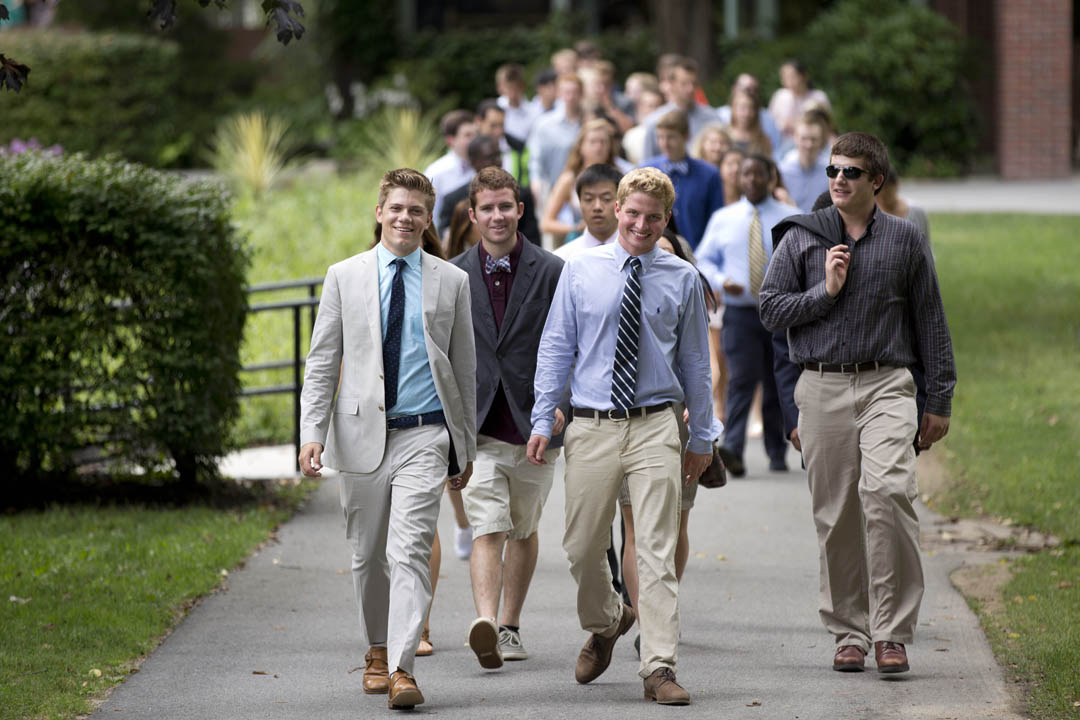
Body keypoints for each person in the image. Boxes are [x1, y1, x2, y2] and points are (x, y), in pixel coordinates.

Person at [759, 132, 955, 675]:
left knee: (888, 491)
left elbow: (931, 322)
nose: (838, 180)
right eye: (832, 171)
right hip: (820, 386)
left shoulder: (905, 240)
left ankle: (891, 631)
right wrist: (825, 292)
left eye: (850, 172)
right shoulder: (801, 237)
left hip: (887, 383)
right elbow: (771, 311)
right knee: (837, 513)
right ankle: (850, 631)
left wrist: (939, 397)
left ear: (877, 181)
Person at [528, 167, 714, 705]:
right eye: (632, 213)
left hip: (656, 423)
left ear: (665, 220)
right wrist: (544, 418)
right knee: (582, 547)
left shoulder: (681, 277)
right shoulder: (578, 268)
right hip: (591, 424)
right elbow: (557, 347)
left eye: (652, 217)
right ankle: (608, 619)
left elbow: (697, 365)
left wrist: (702, 436)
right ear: (617, 211)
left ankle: (659, 666)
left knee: (655, 549)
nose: (640, 224)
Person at [298, 168, 477, 710]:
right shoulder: (344, 276)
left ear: (427, 221)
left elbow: (465, 369)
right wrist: (311, 432)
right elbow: (323, 360)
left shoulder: (451, 280)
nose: (405, 218)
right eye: (396, 208)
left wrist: (462, 445)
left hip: (425, 433)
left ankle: (401, 667)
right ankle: (376, 650)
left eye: (416, 211)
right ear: (380, 212)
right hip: (358, 437)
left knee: (410, 550)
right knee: (368, 554)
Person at [449, 167, 567, 670]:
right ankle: (486, 624)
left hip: (537, 423)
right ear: (473, 215)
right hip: (476, 427)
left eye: (506, 206)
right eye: (487, 208)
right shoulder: (452, 276)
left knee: (522, 528)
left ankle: (511, 625)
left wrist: (560, 404)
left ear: (520, 210)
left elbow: (569, 345)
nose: (497, 215)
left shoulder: (553, 270)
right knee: (488, 526)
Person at [617, 227, 722, 657]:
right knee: (634, 529)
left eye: (663, 250)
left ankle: (663, 608)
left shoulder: (686, 285)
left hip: (675, 416)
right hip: (627, 415)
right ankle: (648, 620)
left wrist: (701, 417)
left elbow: (703, 361)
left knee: (673, 525)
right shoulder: (617, 280)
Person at [697, 154, 798, 477]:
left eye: (759, 174)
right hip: (740, 312)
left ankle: (777, 451)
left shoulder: (790, 218)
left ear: (771, 178)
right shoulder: (724, 218)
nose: (752, 180)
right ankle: (734, 449)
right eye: (746, 174)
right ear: (738, 179)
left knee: (776, 382)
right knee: (741, 378)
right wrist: (720, 280)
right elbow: (703, 259)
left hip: (780, 314)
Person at [641, 109, 724, 250]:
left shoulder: (709, 174)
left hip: (697, 254)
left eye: (671, 137)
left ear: (686, 136)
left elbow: (716, 222)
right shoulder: (646, 170)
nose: (665, 143)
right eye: (660, 137)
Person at [540, 118, 622, 246]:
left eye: (603, 142)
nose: (598, 147)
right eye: (593, 142)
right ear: (581, 146)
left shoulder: (619, 176)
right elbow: (546, 223)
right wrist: (577, 228)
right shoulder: (569, 179)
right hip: (581, 241)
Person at [640, 56, 719, 160]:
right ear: (672, 84)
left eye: (694, 83)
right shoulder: (655, 121)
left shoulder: (713, 119)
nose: (690, 89)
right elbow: (647, 164)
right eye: (684, 84)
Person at [527, 73, 585, 211]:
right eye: (567, 92)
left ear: (581, 94)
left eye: (575, 92)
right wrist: (535, 183)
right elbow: (535, 158)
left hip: (582, 192)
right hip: (551, 191)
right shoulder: (544, 124)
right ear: (559, 93)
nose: (570, 97)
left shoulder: (589, 122)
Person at [425, 110, 478, 237]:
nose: (474, 140)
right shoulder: (436, 172)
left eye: (476, 135)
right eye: (468, 135)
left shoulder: (481, 165)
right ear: (450, 140)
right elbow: (431, 217)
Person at [554, 163, 622, 261]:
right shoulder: (563, 259)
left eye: (606, 199)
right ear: (580, 202)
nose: (597, 207)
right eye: (589, 199)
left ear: (620, 203)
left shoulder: (636, 254)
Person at [768, 60, 831, 150]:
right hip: (782, 145)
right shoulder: (780, 96)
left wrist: (795, 124)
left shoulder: (818, 97)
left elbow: (827, 126)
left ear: (804, 76)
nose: (789, 81)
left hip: (813, 145)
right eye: (785, 77)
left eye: (792, 77)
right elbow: (770, 123)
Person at [778, 116, 830, 213]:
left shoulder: (830, 171)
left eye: (813, 139)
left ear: (821, 140)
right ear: (795, 138)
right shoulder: (783, 171)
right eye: (804, 138)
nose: (809, 145)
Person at [875, 163, 931, 243]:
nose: (883, 200)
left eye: (887, 194)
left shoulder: (916, 212)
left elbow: (926, 248)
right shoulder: (870, 216)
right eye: (878, 195)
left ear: (896, 185)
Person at [496, 63, 542, 145]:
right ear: (500, 88)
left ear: (523, 86)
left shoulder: (533, 111)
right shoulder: (495, 109)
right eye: (509, 88)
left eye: (516, 87)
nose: (513, 93)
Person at [723, 89, 772, 158]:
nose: (746, 113)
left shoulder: (763, 140)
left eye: (751, 108)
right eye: (742, 108)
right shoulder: (723, 135)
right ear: (733, 108)